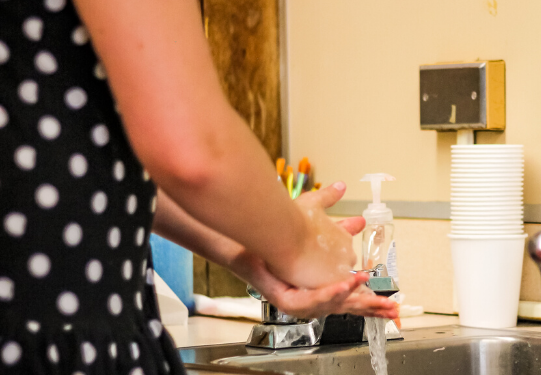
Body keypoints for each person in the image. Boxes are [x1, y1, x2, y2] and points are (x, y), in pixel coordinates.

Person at [0, 0, 398, 374]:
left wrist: (247, 252)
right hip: (63, 333)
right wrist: (304, 247)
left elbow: (88, 168)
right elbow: (189, 150)